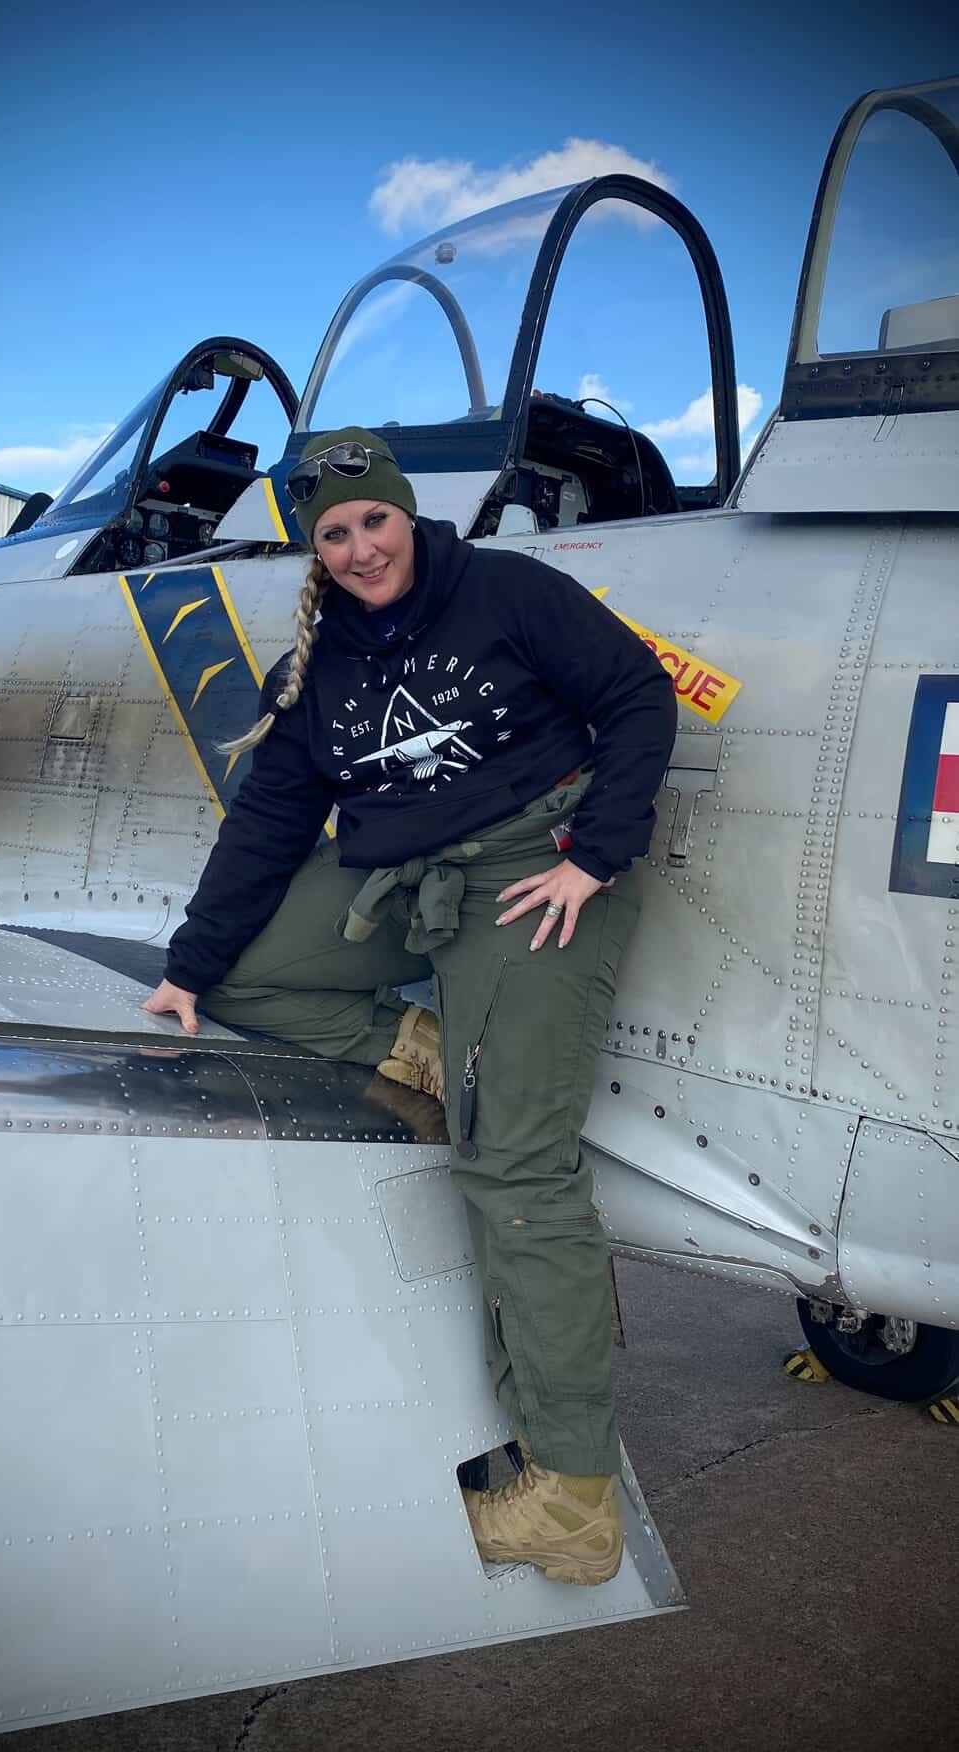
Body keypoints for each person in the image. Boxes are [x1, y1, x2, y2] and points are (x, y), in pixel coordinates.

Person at [145, 427, 677, 1585]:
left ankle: (573, 1495)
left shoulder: (504, 590)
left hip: (534, 873)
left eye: (372, 521)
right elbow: (271, 819)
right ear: (314, 551)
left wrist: (593, 853)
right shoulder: (322, 657)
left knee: (514, 1167)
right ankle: (418, 1044)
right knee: (239, 968)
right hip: (406, 875)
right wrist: (187, 966)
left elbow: (636, 694)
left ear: (405, 516)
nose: (358, 547)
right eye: (332, 534)